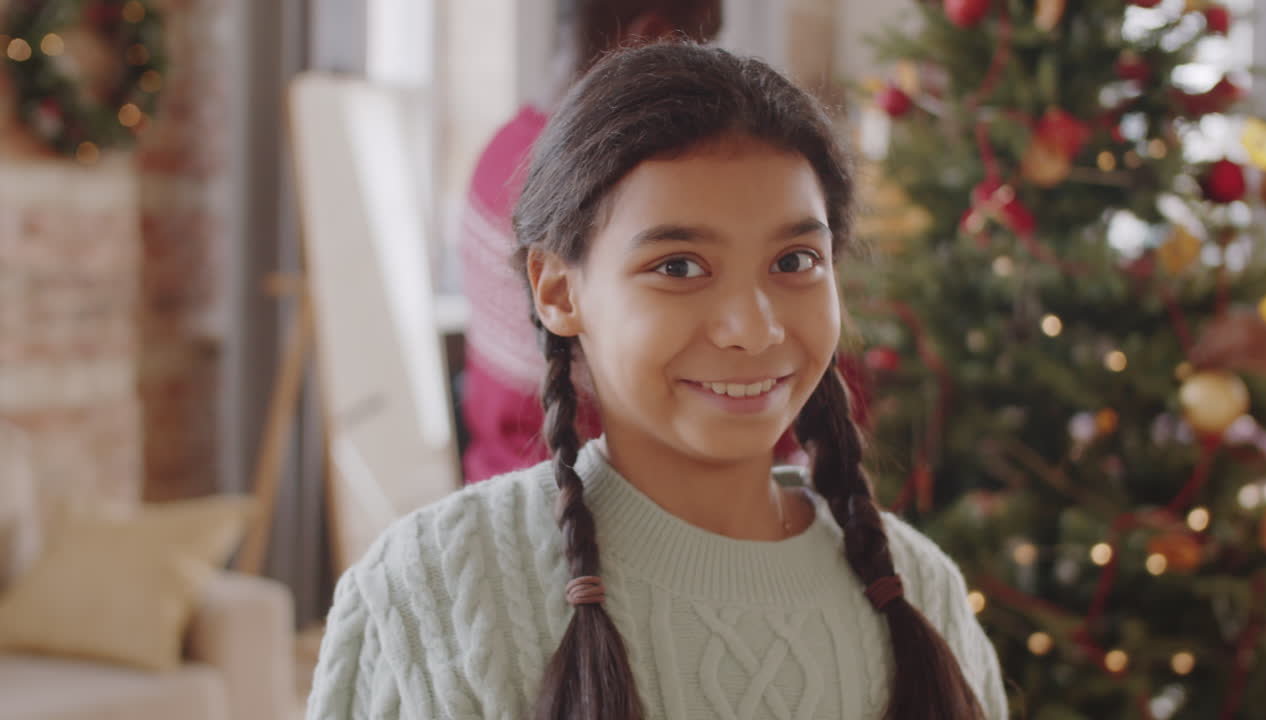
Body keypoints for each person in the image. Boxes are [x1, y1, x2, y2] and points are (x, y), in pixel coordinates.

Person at [308, 43, 1007, 719]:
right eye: (678, 267)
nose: (754, 328)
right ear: (558, 291)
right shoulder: (433, 593)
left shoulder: (921, 592)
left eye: (795, 262)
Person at [459, 0, 723, 483]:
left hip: (502, 482)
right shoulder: (606, 184)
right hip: (586, 509)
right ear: (653, 40)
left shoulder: (502, 150)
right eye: (702, 52)